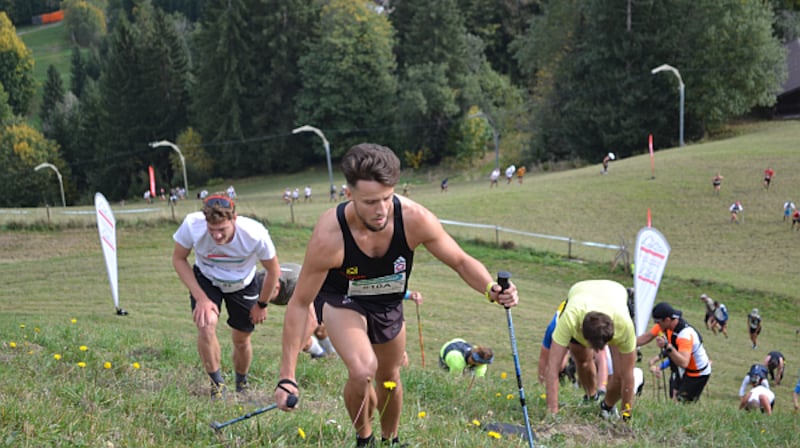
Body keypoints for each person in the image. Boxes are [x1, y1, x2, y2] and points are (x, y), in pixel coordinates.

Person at [272, 143, 520, 448]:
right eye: (370, 201)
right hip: (342, 298)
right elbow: (299, 302)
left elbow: (459, 260)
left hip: (388, 302)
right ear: (348, 195)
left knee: (389, 378)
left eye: (387, 198)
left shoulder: (415, 218)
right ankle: (365, 439)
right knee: (363, 370)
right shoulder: (330, 236)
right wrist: (287, 375)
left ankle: (391, 440)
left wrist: (490, 290)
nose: (381, 210)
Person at [172, 192, 281, 399]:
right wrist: (201, 298)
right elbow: (178, 259)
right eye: (212, 230)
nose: (217, 236)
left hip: (243, 284)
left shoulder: (254, 233)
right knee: (205, 324)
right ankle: (217, 387)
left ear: (234, 219)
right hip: (207, 279)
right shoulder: (192, 225)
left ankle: (242, 384)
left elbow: (273, 270)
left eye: (222, 229)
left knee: (241, 339)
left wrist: (262, 304)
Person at [545, 280, 637, 421]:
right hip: (580, 292)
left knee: (619, 375)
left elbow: (628, 375)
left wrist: (627, 417)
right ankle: (591, 396)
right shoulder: (570, 318)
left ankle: (607, 406)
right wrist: (553, 413)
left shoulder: (625, 326)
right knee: (582, 361)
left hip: (615, 293)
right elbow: (552, 368)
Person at [637, 302, 711, 402]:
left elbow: (684, 362)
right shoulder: (665, 326)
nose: (656, 325)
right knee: (674, 398)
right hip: (681, 370)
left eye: (658, 322)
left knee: (681, 404)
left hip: (697, 374)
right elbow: (645, 338)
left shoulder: (684, 335)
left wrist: (667, 346)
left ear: (667, 319)